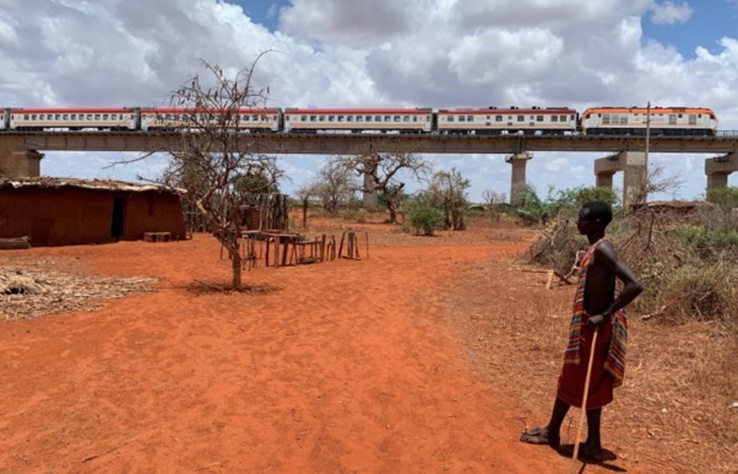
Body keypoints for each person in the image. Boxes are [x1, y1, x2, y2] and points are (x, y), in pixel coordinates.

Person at [520, 200, 643, 460]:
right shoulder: (594, 248)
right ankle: (587, 441)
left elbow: (634, 285)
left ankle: (556, 434)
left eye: (583, 218)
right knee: (587, 381)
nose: (578, 222)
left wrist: (605, 314)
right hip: (589, 326)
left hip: (596, 329)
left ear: (596, 223)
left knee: (575, 378)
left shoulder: (604, 250)